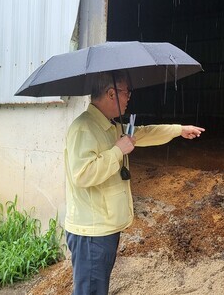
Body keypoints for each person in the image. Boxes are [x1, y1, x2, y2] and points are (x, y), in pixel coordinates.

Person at [64, 72, 205, 295]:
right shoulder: (85, 128)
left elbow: (142, 133)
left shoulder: (110, 126)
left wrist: (178, 130)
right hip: (92, 232)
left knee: (96, 289)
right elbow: (82, 174)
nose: (129, 97)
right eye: (126, 92)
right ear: (111, 93)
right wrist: (118, 151)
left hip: (104, 227)